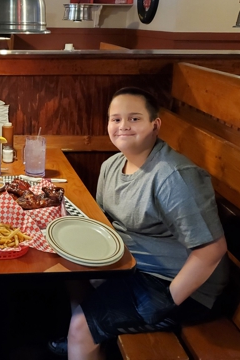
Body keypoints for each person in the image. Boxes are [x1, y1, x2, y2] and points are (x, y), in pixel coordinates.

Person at [49, 87, 229, 359]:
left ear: (155, 125)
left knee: (79, 327)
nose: (123, 126)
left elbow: (212, 250)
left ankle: (81, 338)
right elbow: (104, 223)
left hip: (179, 285)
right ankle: (89, 340)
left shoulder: (173, 177)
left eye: (134, 118)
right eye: (116, 119)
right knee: (69, 270)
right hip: (132, 267)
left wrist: (169, 300)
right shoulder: (111, 165)